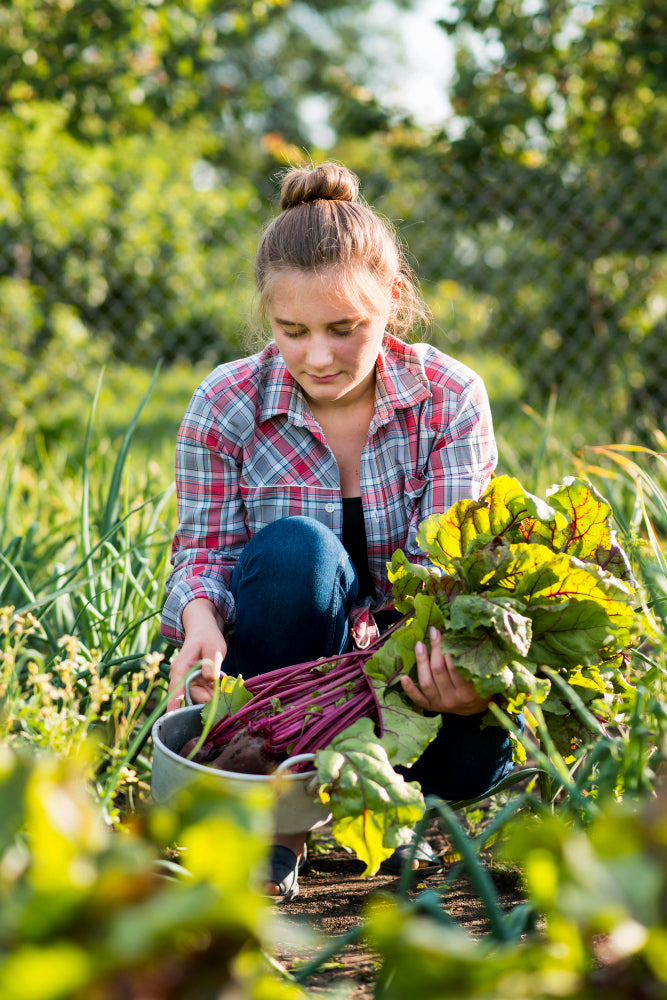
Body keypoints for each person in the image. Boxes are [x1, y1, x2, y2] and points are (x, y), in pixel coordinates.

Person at [160, 161, 515, 901]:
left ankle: (397, 820)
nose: (317, 357)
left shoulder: (449, 399)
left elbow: (449, 584)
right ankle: (277, 829)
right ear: (267, 318)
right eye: (292, 331)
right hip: (285, 699)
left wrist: (459, 685)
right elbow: (203, 554)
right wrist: (199, 622)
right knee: (298, 553)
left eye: (344, 329)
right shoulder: (225, 403)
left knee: (469, 750)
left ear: (392, 300)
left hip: (410, 702)